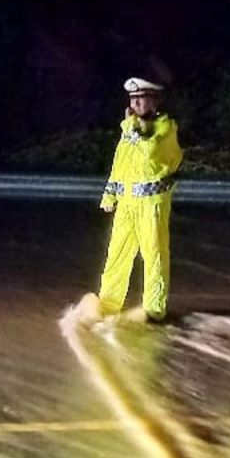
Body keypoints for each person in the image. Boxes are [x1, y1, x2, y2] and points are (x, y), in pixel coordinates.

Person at [96, 77, 183, 323]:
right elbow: (120, 163)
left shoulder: (165, 128)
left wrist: (132, 130)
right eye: (132, 100)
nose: (135, 104)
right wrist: (110, 193)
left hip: (151, 205)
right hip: (126, 205)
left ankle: (155, 311)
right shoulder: (129, 130)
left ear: (154, 101)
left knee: (154, 256)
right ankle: (108, 307)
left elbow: (151, 154)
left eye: (140, 99)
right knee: (116, 255)